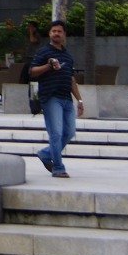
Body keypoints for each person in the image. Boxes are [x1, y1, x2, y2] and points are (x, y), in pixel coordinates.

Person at [28, 19, 85, 178]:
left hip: (66, 98)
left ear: (64, 34)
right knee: (56, 134)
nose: (56, 34)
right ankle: (58, 167)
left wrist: (79, 100)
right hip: (50, 97)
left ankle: (46, 154)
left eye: (59, 31)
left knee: (69, 132)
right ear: (49, 33)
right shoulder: (43, 51)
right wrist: (48, 66)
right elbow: (32, 71)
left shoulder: (67, 55)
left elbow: (71, 79)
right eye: (54, 31)